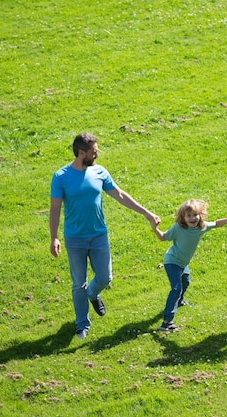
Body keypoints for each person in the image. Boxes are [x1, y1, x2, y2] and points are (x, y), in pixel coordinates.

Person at [50, 132, 160, 339]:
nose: (97, 156)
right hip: (74, 238)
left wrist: (147, 213)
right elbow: (54, 208)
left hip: (99, 235)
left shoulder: (99, 172)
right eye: (94, 152)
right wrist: (54, 237)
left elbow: (119, 195)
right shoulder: (61, 177)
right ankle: (82, 324)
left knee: (105, 277)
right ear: (81, 153)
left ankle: (93, 293)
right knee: (78, 283)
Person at [152, 199, 227, 332]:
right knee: (176, 288)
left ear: (201, 215)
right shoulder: (178, 228)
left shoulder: (201, 227)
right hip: (172, 261)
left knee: (186, 282)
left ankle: (178, 301)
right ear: (183, 217)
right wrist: (154, 227)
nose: (192, 218)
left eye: (195, 215)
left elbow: (217, 224)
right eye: (188, 215)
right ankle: (167, 322)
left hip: (183, 263)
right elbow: (163, 237)